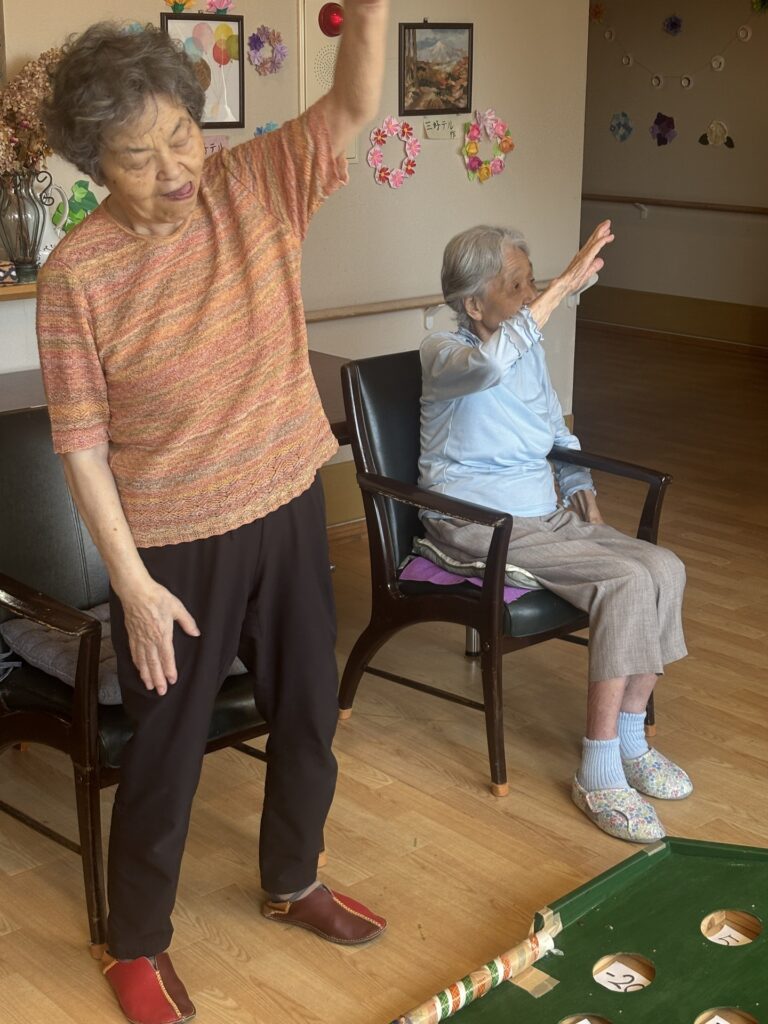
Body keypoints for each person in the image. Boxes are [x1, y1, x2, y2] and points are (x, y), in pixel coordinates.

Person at [37, 8, 388, 1024]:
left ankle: (293, 876)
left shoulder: (256, 184)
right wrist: (134, 587)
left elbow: (353, 104)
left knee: (310, 709)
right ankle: (136, 943)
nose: (175, 170)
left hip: (287, 502)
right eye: (138, 156)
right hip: (173, 546)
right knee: (165, 747)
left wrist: (368, 14)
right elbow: (81, 444)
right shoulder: (78, 275)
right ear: (94, 165)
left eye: (182, 137)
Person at [418, 222, 692, 845]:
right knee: (625, 581)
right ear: (473, 304)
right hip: (478, 523)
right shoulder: (444, 353)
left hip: (544, 515)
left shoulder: (528, 349)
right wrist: (565, 286)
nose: (530, 296)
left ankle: (630, 741)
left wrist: (579, 488)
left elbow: (553, 430)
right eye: (516, 286)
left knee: (664, 566)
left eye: (533, 282)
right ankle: (598, 771)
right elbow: (491, 365)